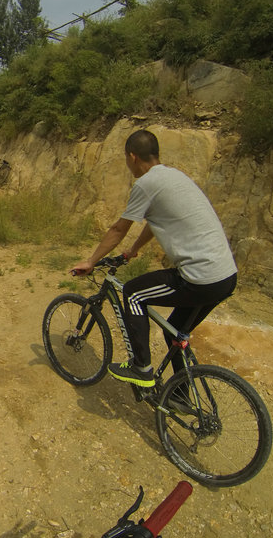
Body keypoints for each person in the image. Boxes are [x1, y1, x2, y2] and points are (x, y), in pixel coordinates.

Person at [71, 129, 238, 387]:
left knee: (134, 293)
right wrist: (132, 250)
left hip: (199, 277)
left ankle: (141, 368)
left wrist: (91, 261)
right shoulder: (175, 176)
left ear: (133, 156)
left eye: (127, 160)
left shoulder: (146, 183)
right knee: (175, 332)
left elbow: (118, 229)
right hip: (225, 276)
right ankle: (181, 395)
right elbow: (154, 220)